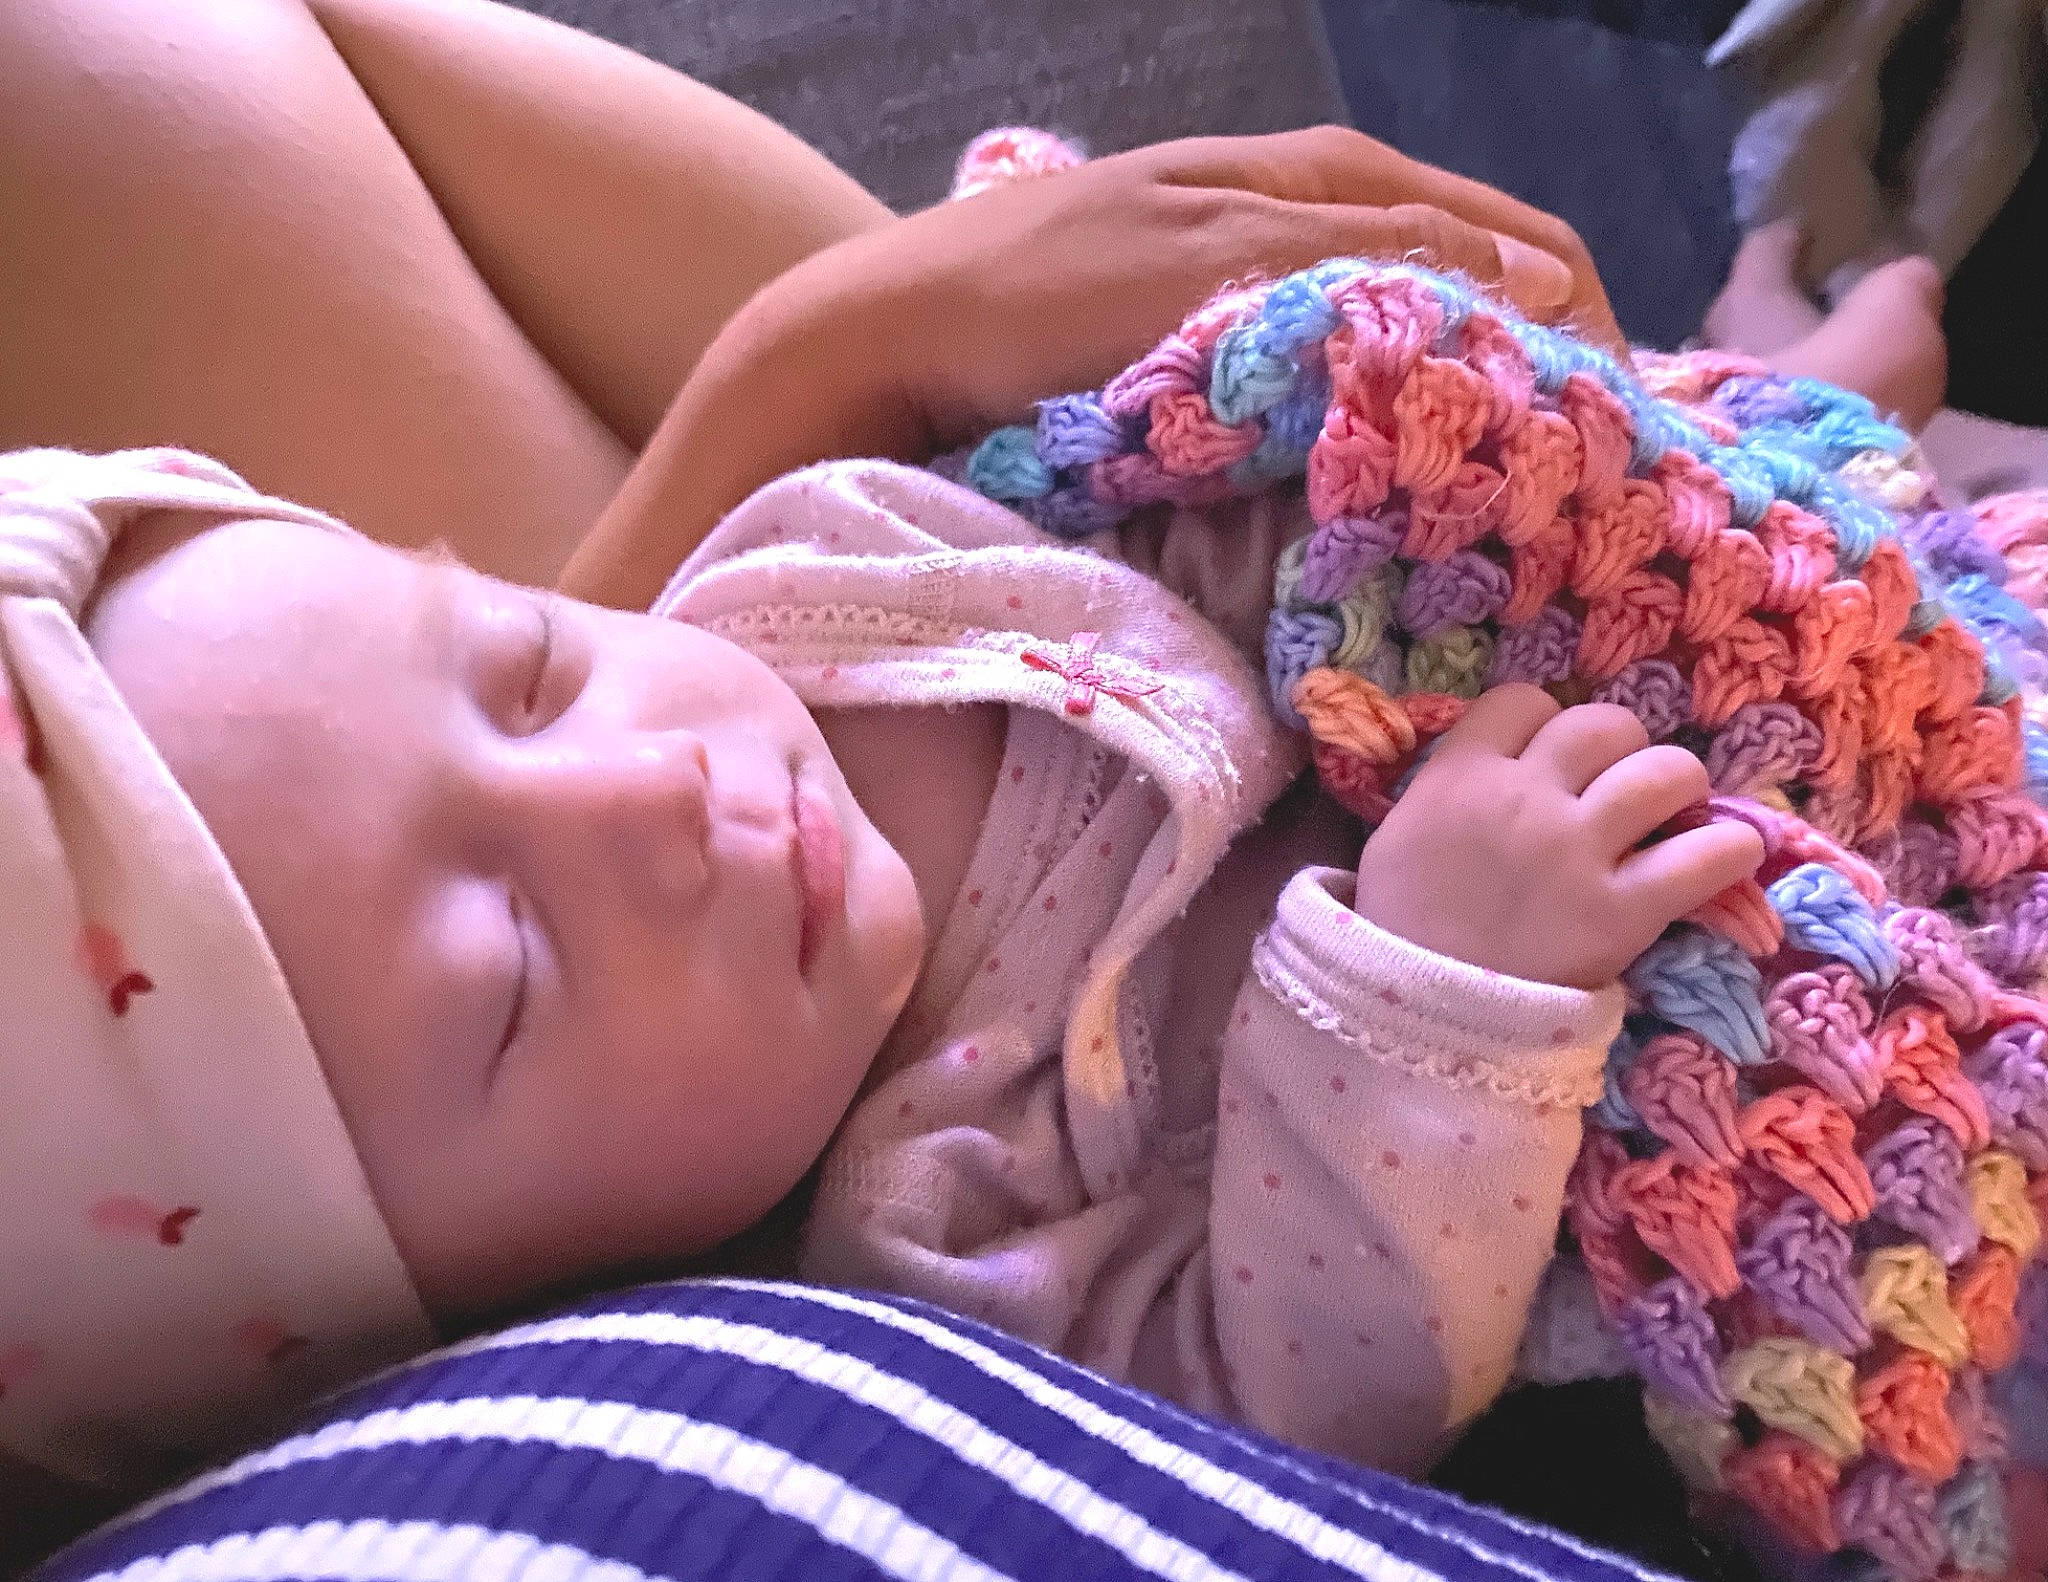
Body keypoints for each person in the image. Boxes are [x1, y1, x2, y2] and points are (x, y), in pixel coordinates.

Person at [0, 0, 1955, 1563]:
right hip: (1662, 985)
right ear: (441, 1316)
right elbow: (1299, 1365)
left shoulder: (796, 567)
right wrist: (1436, 983)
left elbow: (1134, 489)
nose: (641, 797)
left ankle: (1821, 414)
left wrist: (1482, 436)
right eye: (513, 965)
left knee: (1781, 481)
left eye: (527, 666)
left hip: (1640, 628)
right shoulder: (928, 1240)